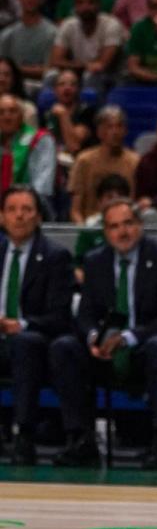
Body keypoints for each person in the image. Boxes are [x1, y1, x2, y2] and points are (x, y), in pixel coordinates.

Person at [49, 197, 157, 468]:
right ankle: (81, 439)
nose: (122, 232)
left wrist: (129, 337)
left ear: (140, 225)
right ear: (106, 232)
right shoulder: (95, 261)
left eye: (128, 224)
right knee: (65, 347)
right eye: (114, 226)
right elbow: (85, 315)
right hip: (111, 352)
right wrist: (94, 338)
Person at [0, 184, 74, 463]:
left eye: (26, 210)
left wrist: (20, 325)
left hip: (34, 340)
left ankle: (24, 435)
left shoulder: (55, 256)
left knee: (24, 344)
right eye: (12, 210)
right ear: (2, 217)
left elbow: (59, 316)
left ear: (38, 217)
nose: (19, 216)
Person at [69, 105, 138, 223]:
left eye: (119, 126)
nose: (115, 132)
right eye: (109, 127)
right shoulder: (84, 160)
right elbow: (75, 210)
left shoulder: (135, 161)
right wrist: (84, 231)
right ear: (99, 132)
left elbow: (135, 202)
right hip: (91, 225)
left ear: (125, 131)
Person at [0, 0, 56, 87]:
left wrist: (17, 69)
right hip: (12, 88)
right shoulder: (7, 34)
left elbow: (48, 70)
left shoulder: (52, 32)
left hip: (41, 87)